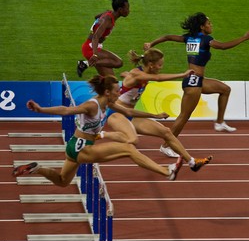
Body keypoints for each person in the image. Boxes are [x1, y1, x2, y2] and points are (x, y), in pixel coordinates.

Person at [12, 75, 183, 186]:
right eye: (117, 91)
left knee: (62, 181)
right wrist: (41, 109)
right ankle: (166, 172)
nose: (120, 94)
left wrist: (156, 115)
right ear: (107, 92)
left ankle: (37, 168)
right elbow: (66, 111)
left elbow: (129, 112)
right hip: (82, 147)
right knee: (129, 148)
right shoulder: (91, 105)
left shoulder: (108, 102)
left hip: (75, 146)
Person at [143, 12, 249, 153]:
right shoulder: (206, 39)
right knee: (183, 117)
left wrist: (152, 43)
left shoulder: (189, 38)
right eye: (209, 23)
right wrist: (244, 38)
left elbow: (167, 37)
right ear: (202, 27)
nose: (211, 25)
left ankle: (219, 122)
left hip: (196, 80)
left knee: (225, 89)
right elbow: (223, 46)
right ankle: (166, 146)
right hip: (193, 82)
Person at [110, 48, 213, 170]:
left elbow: (134, 77)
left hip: (131, 115)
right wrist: (183, 74)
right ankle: (100, 138)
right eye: (159, 65)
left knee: (166, 132)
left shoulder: (141, 74)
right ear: (151, 65)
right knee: (131, 143)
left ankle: (192, 162)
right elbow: (158, 78)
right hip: (118, 114)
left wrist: (126, 75)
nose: (161, 67)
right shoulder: (138, 74)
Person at [77, 0, 130, 77]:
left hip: (93, 47)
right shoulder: (108, 19)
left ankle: (92, 73)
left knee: (110, 80)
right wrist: (95, 54)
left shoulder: (109, 14)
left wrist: (101, 18)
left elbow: (96, 17)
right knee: (119, 62)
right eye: (127, 8)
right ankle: (85, 64)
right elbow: (95, 37)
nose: (129, 10)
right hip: (91, 48)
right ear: (120, 9)